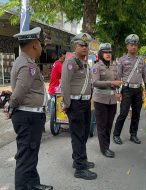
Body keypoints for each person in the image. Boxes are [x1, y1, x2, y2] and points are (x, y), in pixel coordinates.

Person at [8, 27, 53, 190]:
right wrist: (10, 107)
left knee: (30, 155)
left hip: (29, 116)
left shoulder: (25, 62)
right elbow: (18, 95)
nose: (42, 46)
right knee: (26, 157)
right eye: (40, 43)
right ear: (34, 45)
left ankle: (33, 185)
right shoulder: (28, 65)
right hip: (28, 118)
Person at [61, 32, 97, 180]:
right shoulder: (70, 63)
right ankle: (80, 168)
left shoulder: (85, 63)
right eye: (81, 45)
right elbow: (65, 85)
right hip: (75, 103)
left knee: (83, 133)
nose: (84, 47)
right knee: (77, 135)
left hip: (85, 103)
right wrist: (67, 104)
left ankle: (80, 160)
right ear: (75, 47)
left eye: (86, 45)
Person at [113, 34, 146, 145]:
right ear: (127, 46)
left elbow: (145, 76)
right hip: (126, 89)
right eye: (131, 45)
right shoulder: (122, 60)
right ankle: (116, 134)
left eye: (135, 45)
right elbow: (118, 77)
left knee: (137, 114)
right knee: (123, 113)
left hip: (138, 90)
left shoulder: (141, 60)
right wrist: (118, 92)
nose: (133, 47)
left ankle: (133, 134)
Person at [92, 43, 122, 158]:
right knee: (102, 125)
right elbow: (95, 83)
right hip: (100, 101)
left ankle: (107, 146)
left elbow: (117, 81)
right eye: (105, 52)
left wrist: (118, 88)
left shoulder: (114, 66)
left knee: (109, 125)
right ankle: (104, 148)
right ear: (101, 53)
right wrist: (111, 83)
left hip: (112, 100)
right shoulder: (96, 66)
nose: (108, 54)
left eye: (109, 52)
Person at [48, 49, 66, 134]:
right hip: (55, 89)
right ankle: (57, 124)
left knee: (55, 107)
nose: (65, 58)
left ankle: (57, 125)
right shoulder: (59, 64)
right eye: (64, 57)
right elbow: (66, 74)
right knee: (58, 107)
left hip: (53, 88)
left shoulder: (56, 63)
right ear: (61, 56)